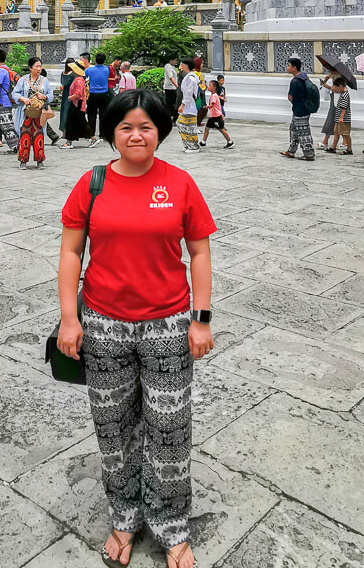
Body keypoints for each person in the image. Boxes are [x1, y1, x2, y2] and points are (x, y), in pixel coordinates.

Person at [58, 89, 216, 568]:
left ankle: (172, 524)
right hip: (104, 323)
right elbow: (70, 253)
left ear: (160, 131)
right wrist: (70, 317)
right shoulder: (92, 183)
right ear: (111, 131)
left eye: (146, 126)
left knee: (170, 428)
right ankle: (124, 515)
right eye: (125, 126)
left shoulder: (180, 183)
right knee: (114, 428)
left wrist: (201, 319)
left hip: (168, 325)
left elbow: (200, 253)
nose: (136, 135)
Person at [12, 56, 54, 169]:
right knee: (24, 135)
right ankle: (23, 160)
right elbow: (14, 93)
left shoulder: (44, 80)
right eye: (36, 66)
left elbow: (51, 95)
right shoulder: (23, 80)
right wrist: (23, 99)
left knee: (39, 136)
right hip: (26, 113)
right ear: (31, 68)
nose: (39, 68)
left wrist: (44, 96)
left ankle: (40, 161)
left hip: (39, 114)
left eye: (40, 66)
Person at [281, 57, 315, 161]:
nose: (287, 67)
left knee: (304, 132)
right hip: (302, 108)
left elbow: (290, 97)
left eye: (289, 65)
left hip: (300, 110)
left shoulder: (295, 81)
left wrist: (295, 103)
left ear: (294, 68)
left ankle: (309, 154)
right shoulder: (304, 77)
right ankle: (291, 151)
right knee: (293, 130)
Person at [86, 52, 112, 148]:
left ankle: (91, 134)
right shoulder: (107, 69)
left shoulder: (90, 70)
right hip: (104, 94)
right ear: (104, 60)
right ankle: (102, 135)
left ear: (95, 60)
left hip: (93, 94)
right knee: (103, 115)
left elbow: (84, 75)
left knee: (91, 115)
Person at [62, 62, 91, 147]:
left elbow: (78, 93)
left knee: (71, 122)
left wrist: (71, 97)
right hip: (78, 103)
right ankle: (91, 138)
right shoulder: (80, 79)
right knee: (80, 122)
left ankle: (69, 141)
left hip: (76, 103)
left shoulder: (78, 80)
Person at [200, 80, 234, 149]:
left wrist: (205, 107)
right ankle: (203, 142)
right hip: (212, 116)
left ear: (214, 88)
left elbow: (211, 105)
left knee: (221, 129)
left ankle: (230, 142)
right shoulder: (214, 95)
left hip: (217, 116)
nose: (208, 87)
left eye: (210, 85)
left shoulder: (214, 96)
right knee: (207, 128)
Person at [177, 59, 200, 152]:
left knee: (188, 126)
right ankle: (187, 144)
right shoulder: (189, 77)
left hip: (189, 105)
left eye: (181, 64)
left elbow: (189, 93)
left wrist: (183, 104)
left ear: (186, 65)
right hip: (188, 105)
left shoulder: (191, 78)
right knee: (182, 125)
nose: (180, 65)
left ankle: (193, 146)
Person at [328, 77, 352, 154]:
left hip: (344, 118)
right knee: (337, 133)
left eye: (336, 87)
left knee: (345, 134)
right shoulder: (342, 93)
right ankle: (333, 147)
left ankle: (349, 149)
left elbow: (343, 108)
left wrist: (341, 117)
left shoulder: (344, 95)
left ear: (341, 86)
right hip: (339, 117)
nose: (335, 89)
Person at [318, 72, 338, 150]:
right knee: (337, 120)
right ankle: (345, 141)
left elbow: (338, 89)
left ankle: (325, 140)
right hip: (334, 98)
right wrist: (326, 79)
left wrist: (326, 86)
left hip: (337, 99)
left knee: (332, 118)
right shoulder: (334, 75)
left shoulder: (339, 78)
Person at [59, 59, 76, 140]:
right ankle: (66, 130)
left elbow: (63, 83)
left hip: (67, 94)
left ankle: (65, 131)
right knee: (67, 112)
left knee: (65, 112)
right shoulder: (73, 74)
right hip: (69, 93)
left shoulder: (64, 73)